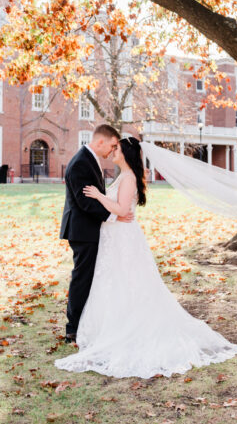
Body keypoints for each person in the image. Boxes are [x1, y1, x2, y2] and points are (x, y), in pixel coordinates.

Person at [55, 136, 237, 378]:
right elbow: (119, 208)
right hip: (114, 237)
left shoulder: (129, 177)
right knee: (114, 282)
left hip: (123, 237)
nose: (113, 151)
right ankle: (106, 326)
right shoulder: (124, 175)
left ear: (126, 153)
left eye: (117, 148)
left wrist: (99, 196)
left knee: (128, 281)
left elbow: (122, 210)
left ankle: (126, 328)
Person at [60, 124, 134, 344]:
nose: (112, 151)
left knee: (90, 278)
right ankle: (72, 329)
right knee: (82, 279)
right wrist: (115, 217)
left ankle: (84, 323)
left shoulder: (89, 159)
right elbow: (84, 203)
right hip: (82, 231)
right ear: (101, 141)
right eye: (111, 146)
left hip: (89, 229)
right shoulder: (80, 163)